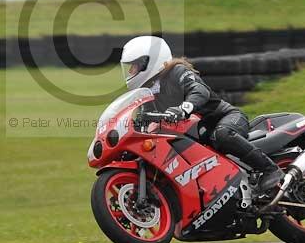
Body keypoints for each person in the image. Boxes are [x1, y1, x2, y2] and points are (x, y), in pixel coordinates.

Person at [120, 35, 283, 193]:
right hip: (196, 136)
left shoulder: (176, 71)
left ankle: (270, 169)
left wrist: (184, 108)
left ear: (148, 62)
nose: (130, 71)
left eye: (134, 66)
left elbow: (199, 90)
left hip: (223, 118)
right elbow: (144, 120)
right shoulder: (148, 93)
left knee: (221, 135)